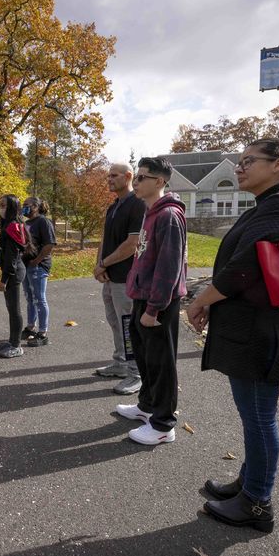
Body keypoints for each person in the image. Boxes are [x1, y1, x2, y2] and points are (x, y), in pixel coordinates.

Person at [186, 138, 279, 533]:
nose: (239, 168)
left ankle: (258, 505)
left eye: (248, 161)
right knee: (255, 417)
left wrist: (200, 301)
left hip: (264, 332)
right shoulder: (269, 206)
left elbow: (244, 269)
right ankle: (249, 483)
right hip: (254, 329)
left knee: (259, 419)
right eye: (238, 162)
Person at [116, 157, 187, 446]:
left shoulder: (169, 215)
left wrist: (154, 308)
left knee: (161, 364)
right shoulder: (150, 212)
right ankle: (146, 406)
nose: (137, 182)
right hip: (142, 299)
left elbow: (169, 268)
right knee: (145, 358)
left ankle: (163, 424)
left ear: (159, 182)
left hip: (158, 304)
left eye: (143, 177)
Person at [93, 163, 147, 395]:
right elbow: (105, 240)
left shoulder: (137, 204)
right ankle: (121, 364)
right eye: (108, 176)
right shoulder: (114, 206)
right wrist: (98, 265)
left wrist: (105, 263)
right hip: (110, 277)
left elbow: (131, 245)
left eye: (114, 175)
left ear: (128, 176)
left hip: (127, 279)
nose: (109, 179)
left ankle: (136, 373)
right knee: (115, 322)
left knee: (128, 326)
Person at [0, 195, 28, 358]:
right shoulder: (9, 224)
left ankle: (16, 345)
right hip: (11, 269)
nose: (1, 208)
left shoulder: (13, 225)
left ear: (12, 207)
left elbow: (13, 257)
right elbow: (9, 250)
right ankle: (12, 340)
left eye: (4, 205)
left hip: (13, 272)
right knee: (10, 308)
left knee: (15, 309)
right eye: (0, 205)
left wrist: (4, 279)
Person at [21, 196, 56, 347]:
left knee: (39, 299)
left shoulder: (43, 221)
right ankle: (30, 327)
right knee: (30, 298)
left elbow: (49, 244)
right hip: (26, 265)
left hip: (38, 266)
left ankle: (43, 333)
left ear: (35, 206)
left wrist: (37, 261)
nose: (24, 208)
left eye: (26, 205)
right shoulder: (26, 223)